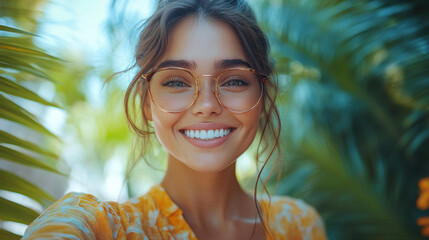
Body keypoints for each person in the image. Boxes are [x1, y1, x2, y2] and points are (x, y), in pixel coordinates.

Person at [22, 0, 327, 239]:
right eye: (177, 82)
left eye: (233, 80)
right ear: (145, 103)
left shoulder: (300, 226)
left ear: (262, 96)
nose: (206, 105)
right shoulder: (107, 229)